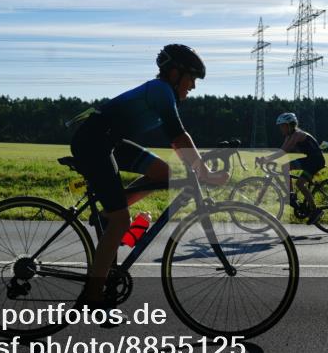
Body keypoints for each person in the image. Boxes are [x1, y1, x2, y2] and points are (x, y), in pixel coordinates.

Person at [69, 44, 228, 307]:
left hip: (107, 141)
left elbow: (177, 140)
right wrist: (204, 172)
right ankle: (92, 297)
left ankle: (109, 216)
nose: (193, 86)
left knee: (163, 173)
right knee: (123, 222)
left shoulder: (163, 92)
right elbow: (178, 137)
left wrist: (198, 165)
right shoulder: (160, 91)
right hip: (93, 143)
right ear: (175, 73)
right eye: (191, 79)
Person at [257, 112, 326, 224]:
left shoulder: (297, 135)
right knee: (285, 166)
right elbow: (281, 150)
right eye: (280, 126)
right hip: (310, 159)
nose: (281, 129)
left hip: (316, 161)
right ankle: (291, 195)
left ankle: (315, 210)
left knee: (300, 183)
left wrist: (266, 159)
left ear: (290, 125)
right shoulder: (290, 136)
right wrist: (268, 159)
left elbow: (283, 152)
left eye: (282, 126)